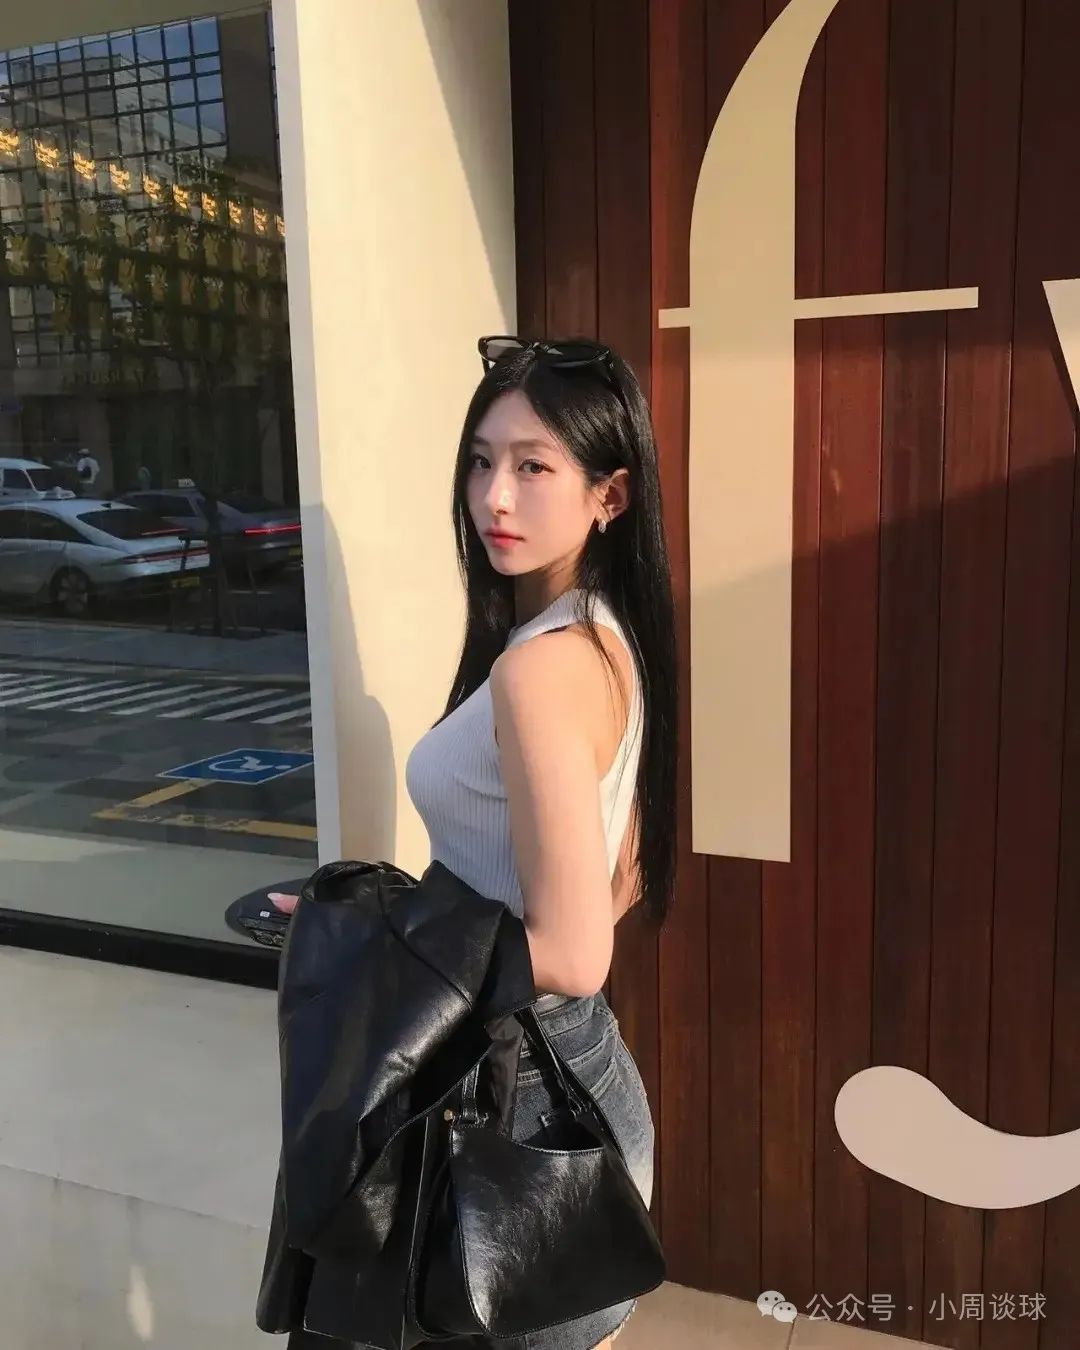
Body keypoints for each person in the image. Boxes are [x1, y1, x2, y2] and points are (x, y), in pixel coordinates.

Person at [268, 335, 678, 1350]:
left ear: (610, 496)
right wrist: (395, 921)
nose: (496, 496)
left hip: (516, 1108)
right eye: (482, 461)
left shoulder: (540, 672)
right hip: (562, 1076)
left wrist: (378, 950)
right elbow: (616, 872)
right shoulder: (602, 633)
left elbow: (575, 951)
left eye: (535, 467)